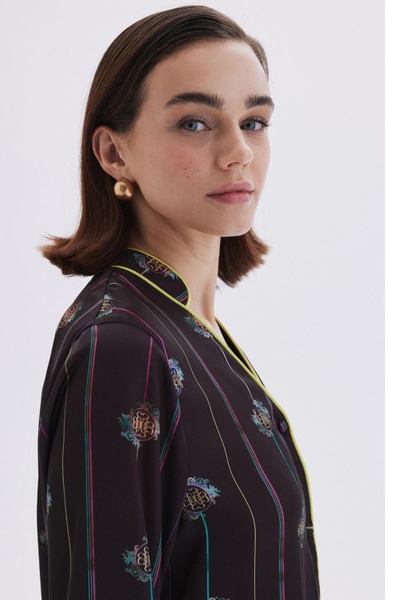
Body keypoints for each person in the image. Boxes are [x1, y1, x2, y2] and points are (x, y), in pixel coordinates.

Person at [37, 5, 320, 599]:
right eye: (194, 123)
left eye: (255, 122)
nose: (239, 151)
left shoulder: (187, 327)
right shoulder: (124, 347)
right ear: (114, 154)